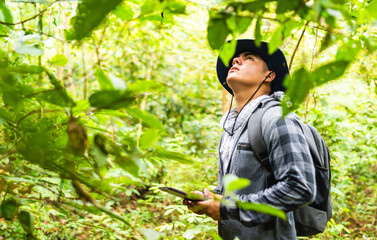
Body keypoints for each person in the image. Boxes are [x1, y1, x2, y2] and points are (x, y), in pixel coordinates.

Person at [183, 39, 316, 239]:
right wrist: (210, 197)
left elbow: (300, 187)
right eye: (235, 58)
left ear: (269, 75)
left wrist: (229, 209)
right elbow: (237, 190)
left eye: (249, 58)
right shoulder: (230, 131)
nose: (235, 60)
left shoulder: (278, 118)